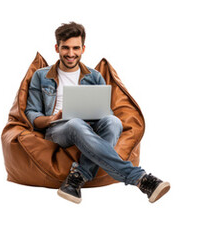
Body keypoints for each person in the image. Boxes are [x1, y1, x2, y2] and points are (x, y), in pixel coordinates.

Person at [25, 22, 170, 204]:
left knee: (114, 122)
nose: (71, 54)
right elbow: (32, 115)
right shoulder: (40, 75)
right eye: (66, 48)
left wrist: (93, 118)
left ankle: (76, 178)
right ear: (57, 48)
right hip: (58, 129)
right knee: (75, 122)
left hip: (89, 127)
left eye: (76, 48)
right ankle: (140, 179)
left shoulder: (94, 77)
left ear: (83, 48)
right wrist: (53, 118)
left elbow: (105, 112)